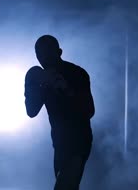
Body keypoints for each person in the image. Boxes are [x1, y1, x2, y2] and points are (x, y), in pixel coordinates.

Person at [24, 35, 95, 190]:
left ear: (59, 52)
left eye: (48, 53)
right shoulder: (39, 76)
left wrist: (67, 90)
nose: (44, 58)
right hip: (59, 142)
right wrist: (39, 85)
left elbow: (89, 110)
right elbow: (31, 111)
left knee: (64, 186)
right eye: (40, 54)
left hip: (79, 139)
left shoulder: (77, 73)